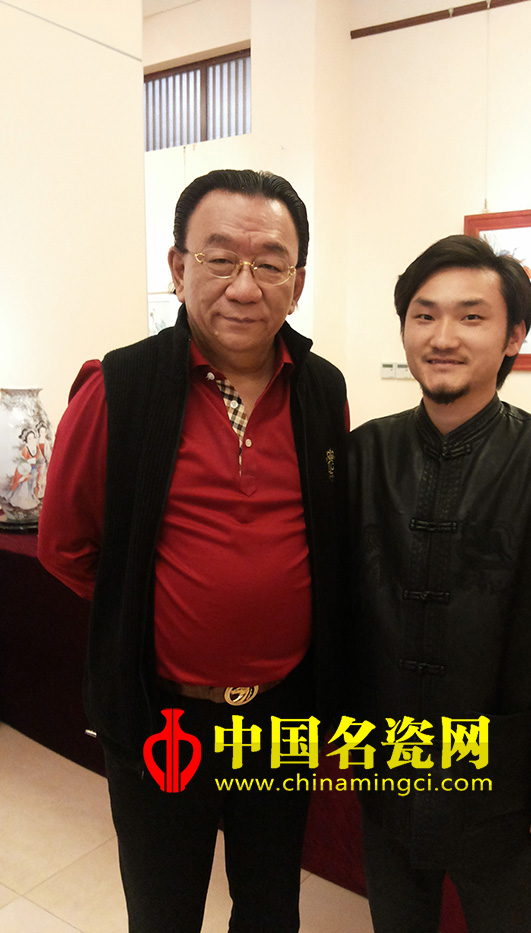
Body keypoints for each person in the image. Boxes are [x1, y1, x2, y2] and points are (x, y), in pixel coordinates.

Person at [38, 169, 347, 933]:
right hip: (163, 717)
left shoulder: (322, 389)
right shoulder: (119, 386)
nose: (244, 285)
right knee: (164, 911)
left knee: (271, 907)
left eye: (269, 263)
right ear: (178, 268)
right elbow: (67, 545)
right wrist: (158, 614)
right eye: (219, 258)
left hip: (281, 719)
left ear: (298, 283)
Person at [347, 234, 531, 933]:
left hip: (505, 789)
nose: (443, 337)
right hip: (387, 772)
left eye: (471, 316)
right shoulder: (363, 454)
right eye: (424, 314)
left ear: (514, 336)